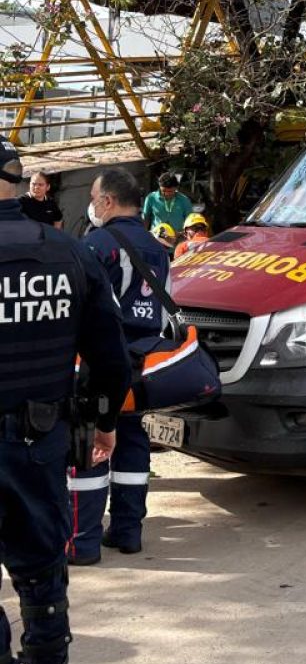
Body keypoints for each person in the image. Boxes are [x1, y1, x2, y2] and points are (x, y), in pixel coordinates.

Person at [0, 136, 130, 664]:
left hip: (32, 438)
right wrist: (105, 424)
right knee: (42, 570)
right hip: (39, 443)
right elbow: (111, 356)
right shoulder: (70, 253)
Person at [69, 169, 169, 565]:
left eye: (94, 198)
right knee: (131, 440)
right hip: (143, 360)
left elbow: (80, 309)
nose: (92, 205)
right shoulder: (158, 248)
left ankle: (83, 542)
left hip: (101, 361)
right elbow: (164, 309)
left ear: (107, 201)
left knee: (90, 443)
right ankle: (128, 532)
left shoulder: (96, 245)